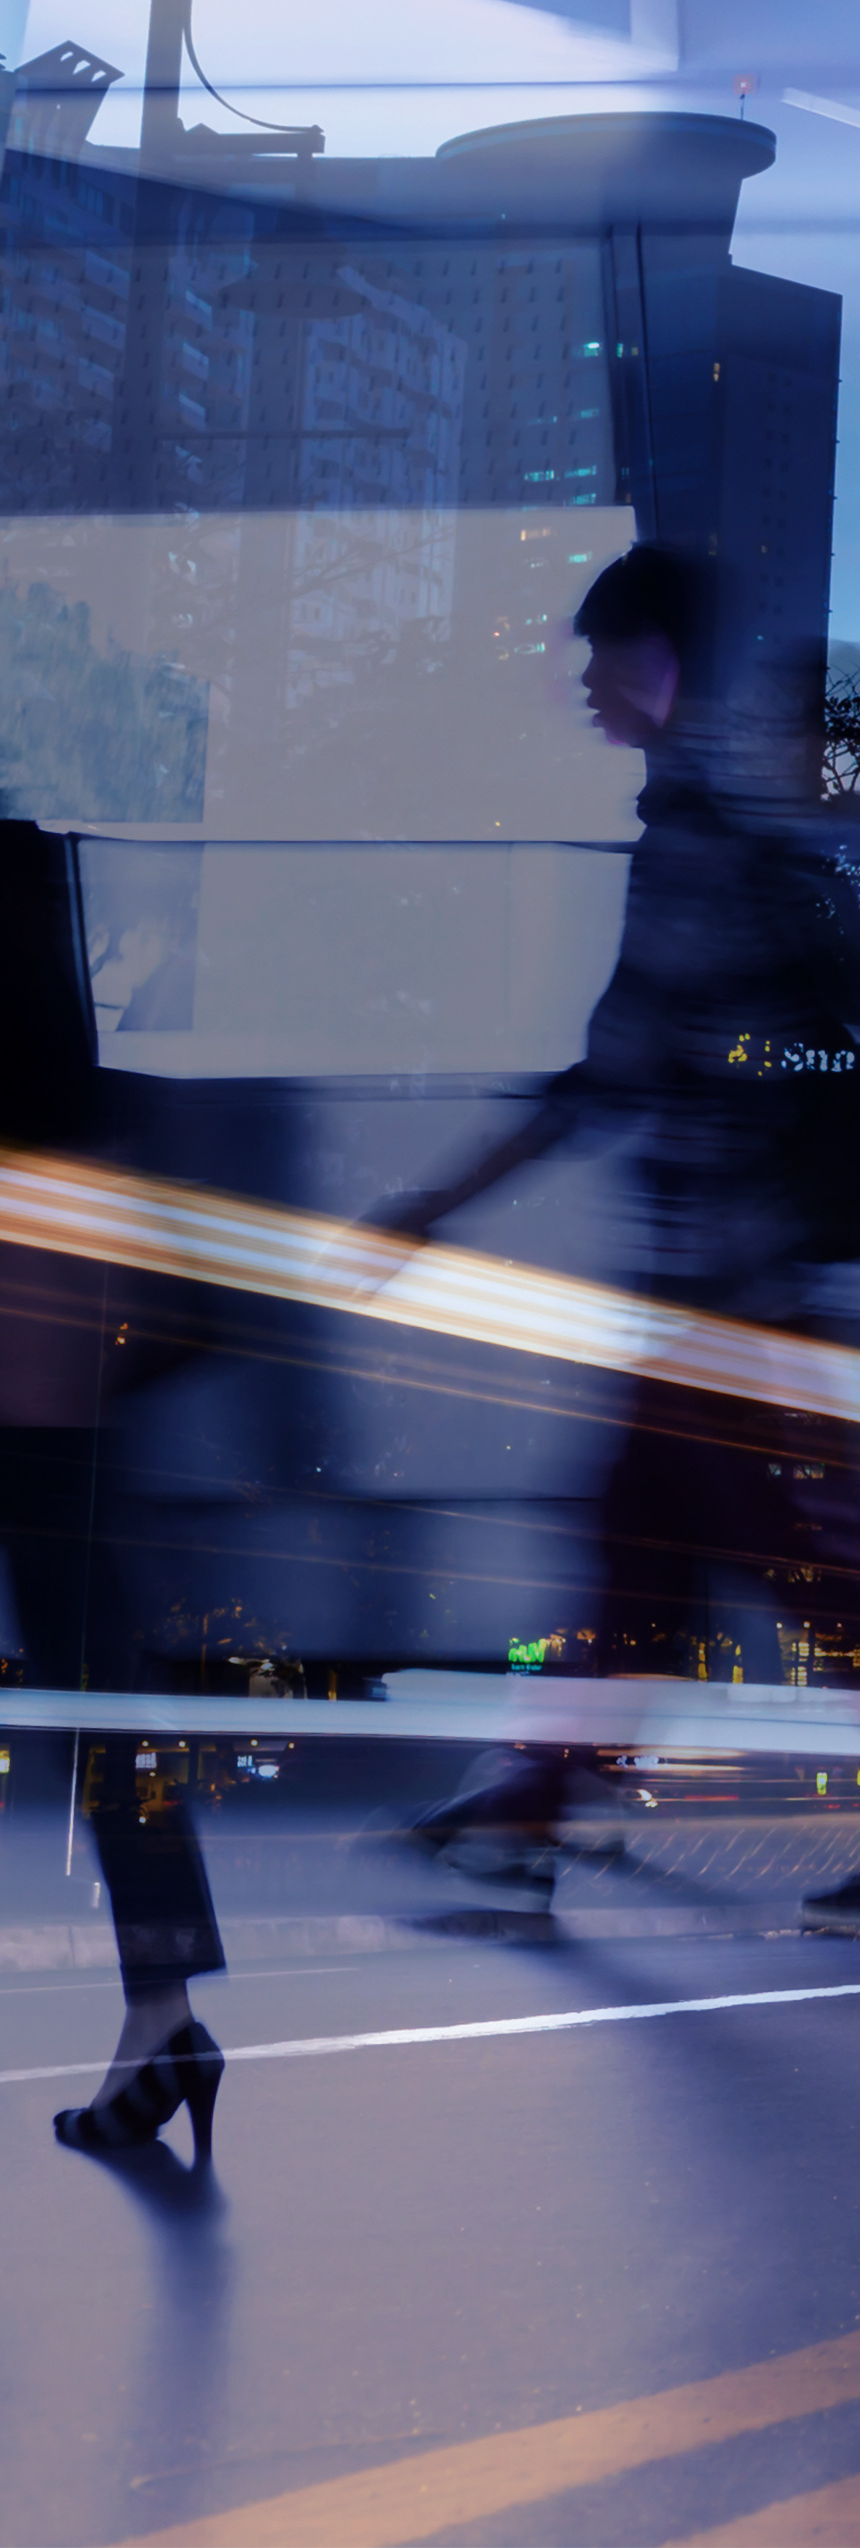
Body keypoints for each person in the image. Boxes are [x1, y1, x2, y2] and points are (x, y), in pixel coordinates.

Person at [367, 543, 860, 1930]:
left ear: (658, 660)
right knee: (645, 1558)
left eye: (600, 656)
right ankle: (534, 1813)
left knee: (807, 1575)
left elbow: (614, 1077)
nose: (584, 684)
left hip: (736, 1295)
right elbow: (836, 1059)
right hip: (719, 1288)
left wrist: (430, 1207)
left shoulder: (702, 841)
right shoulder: (730, 827)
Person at [0, 819, 228, 2160]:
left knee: (86, 1653)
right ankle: (163, 2010)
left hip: (30, 1294)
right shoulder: (23, 858)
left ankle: (164, 2010)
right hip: (48, 1288)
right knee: (88, 1654)